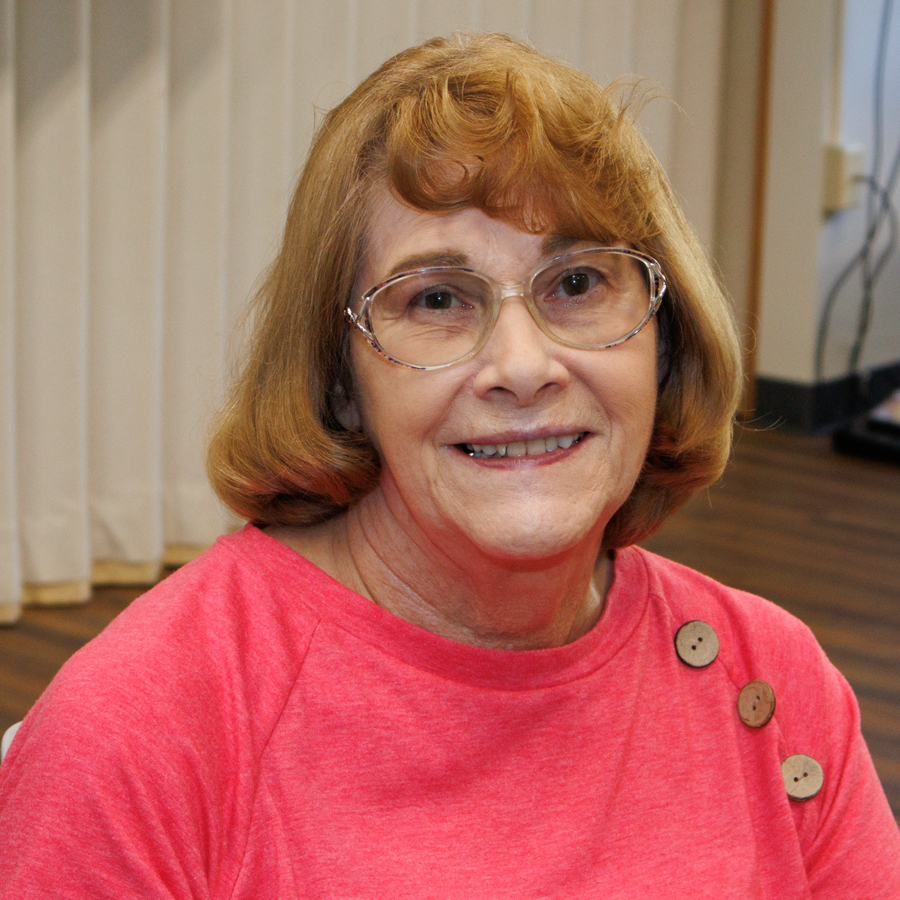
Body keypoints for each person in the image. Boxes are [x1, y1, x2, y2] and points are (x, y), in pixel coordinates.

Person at [1, 32, 898, 899]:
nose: (523, 365)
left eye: (578, 282)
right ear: (341, 380)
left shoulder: (769, 680)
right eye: (436, 298)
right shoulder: (143, 731)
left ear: (663, 341)